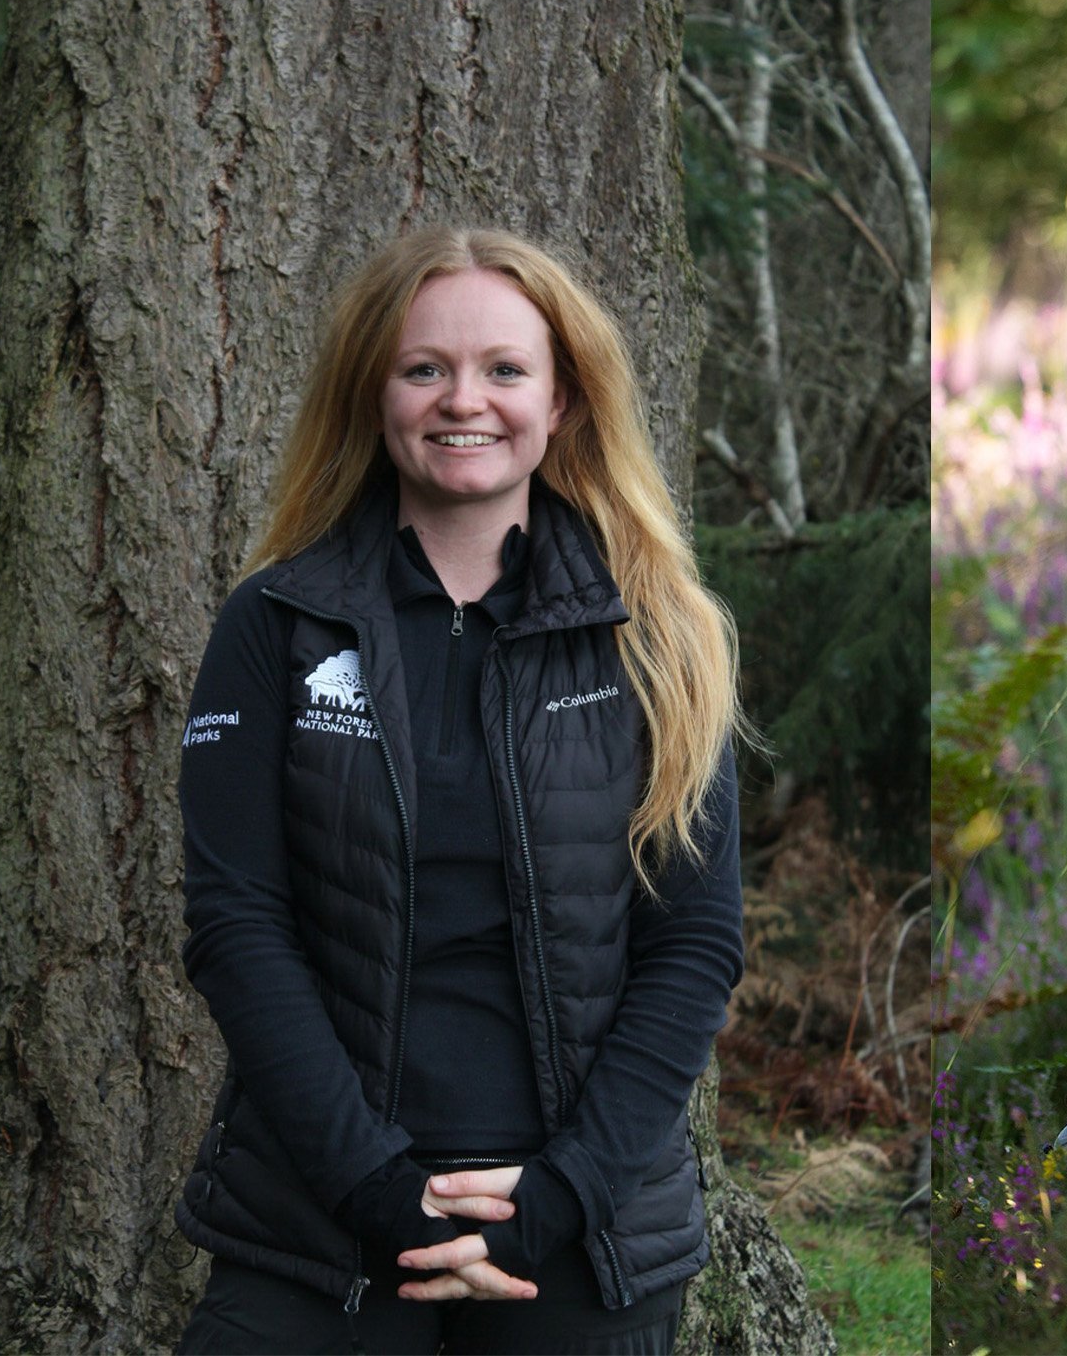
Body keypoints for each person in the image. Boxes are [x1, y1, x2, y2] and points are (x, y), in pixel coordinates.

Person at [173, 227, 745, 1353]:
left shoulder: (662, 638)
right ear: (374, 396)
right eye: (423, 368)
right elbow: (235, 923)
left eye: (504, 369)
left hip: (585, 1227)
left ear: (564, 401)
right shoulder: (275, 624)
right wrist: (379, 1191)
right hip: (317, 1219)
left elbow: (696, 943)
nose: (461, 400)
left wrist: (559, 1197)